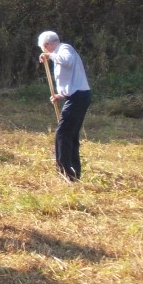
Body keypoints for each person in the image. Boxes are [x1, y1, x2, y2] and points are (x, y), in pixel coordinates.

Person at [38, 31, 91, 182]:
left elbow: (66, 61)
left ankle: (65, 172)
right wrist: (61, 95)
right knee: (70, 135)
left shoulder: (64, 49)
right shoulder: (61, 51)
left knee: (63, 134)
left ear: (47, 45)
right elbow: (73, 78)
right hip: (77, 96)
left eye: (44, 48)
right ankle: (74, 174)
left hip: (78, 98)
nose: (44, 51)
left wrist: (50, 56)